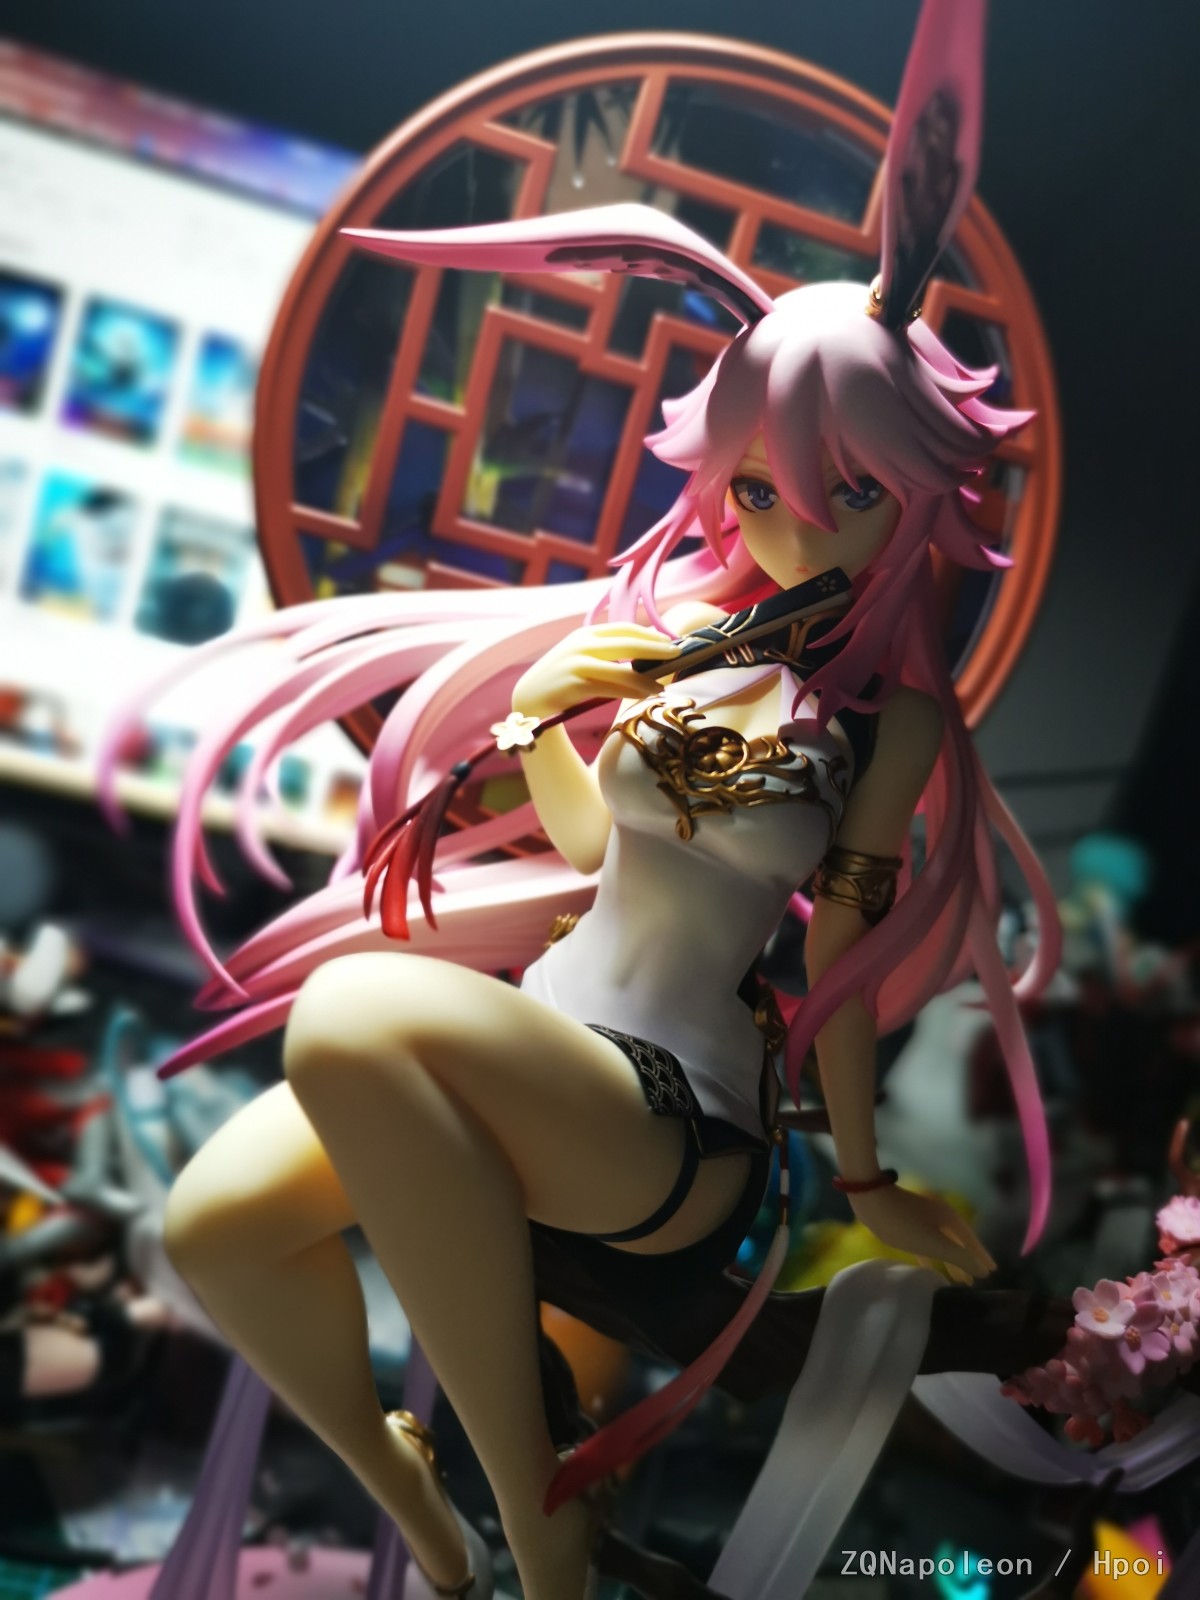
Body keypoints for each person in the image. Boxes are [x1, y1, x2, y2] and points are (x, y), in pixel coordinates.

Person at [102, 3, 1060, 1594]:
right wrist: (547, 718)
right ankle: (434, 1527)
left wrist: (868, 1179)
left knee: (347, 1016)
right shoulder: (672, 635)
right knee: (216, 1227)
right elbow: (592, 853)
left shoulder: (886, 721)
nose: (794, 525)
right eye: (756, 486)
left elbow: (837, 963)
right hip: (549, 1051)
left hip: (675, 1126)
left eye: (845, 493)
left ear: (912, 493)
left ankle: (538, 1508)